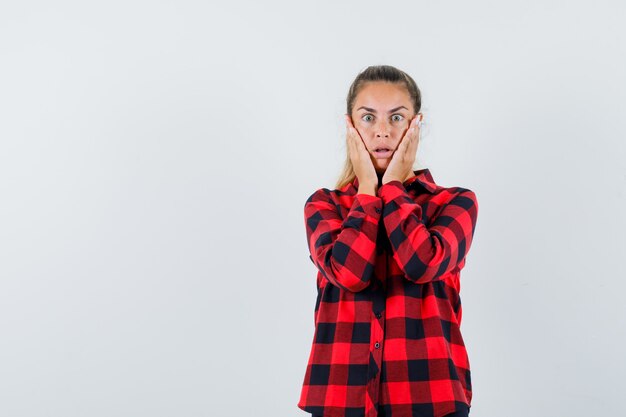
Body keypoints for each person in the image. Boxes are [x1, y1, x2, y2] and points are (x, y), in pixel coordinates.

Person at [297, 65, 479, 417]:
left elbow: (422, 264)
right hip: (339, 399)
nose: (382, 131)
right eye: (368, 118)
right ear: (349, 125)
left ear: (416, 126)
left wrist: (393, 186)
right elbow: (350, 274)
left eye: (397, 118)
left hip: (430, 398)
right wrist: (367, 190)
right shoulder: (324, 205)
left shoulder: (455, 203)